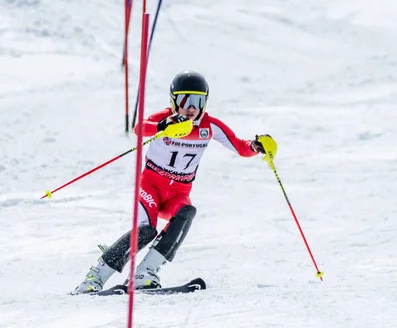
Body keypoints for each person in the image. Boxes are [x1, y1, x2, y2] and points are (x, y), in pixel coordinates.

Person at [73, 70, 273, 294]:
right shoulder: (166, 119)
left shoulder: (209, 126)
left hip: (178, 193)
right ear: (173, 100)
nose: (191, 108)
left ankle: (145, 272)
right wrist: (162, 127)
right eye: (184, 100)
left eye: (197, 101)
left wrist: (256, 146)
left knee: (187, 212)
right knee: (146, 230)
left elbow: (239, 146)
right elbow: (140, 128)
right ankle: (95, 277)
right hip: (150, 186)